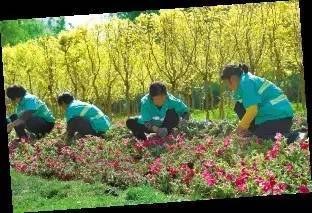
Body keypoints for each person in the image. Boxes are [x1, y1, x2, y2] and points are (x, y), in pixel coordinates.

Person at [221, 64, 295, 141]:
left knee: (259, 140)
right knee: (239, 106)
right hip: (275, 116)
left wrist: (240, 129)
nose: (228, 87)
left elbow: (252, 110)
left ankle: (295, 136)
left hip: (279, 117)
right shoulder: (245, 80)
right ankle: (255, 132)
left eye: (227, 83)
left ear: (232, 79)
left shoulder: (246, 83)